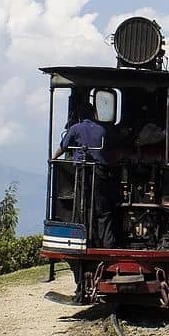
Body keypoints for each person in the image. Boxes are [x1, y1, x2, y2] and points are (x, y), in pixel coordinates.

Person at [52, 105, 118, 248]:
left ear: (80, 116)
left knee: (84, 206)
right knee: (103, 209)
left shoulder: (75, 128)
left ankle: (87, 241)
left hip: (82, 171)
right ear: (94, 114)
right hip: (100, 172)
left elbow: (64, 146)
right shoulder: (102, 129)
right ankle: (107, 244)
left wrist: (53, 158)